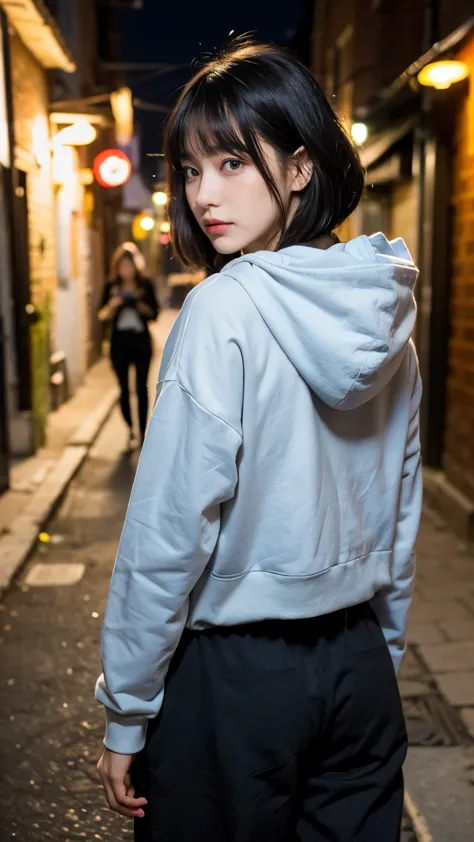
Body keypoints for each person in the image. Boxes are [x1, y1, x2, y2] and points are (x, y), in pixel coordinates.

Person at [96, 39, 422, 842]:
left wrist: (127, 712)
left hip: (237, 678)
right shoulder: (385, 315)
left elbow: (169, 532)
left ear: (302, 167)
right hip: (357, 667)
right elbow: (399, 513)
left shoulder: (224, 308)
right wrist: (380, 646)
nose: (206, 194)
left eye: (233, 163)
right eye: (191, 170)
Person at [98, 244, 160, 448]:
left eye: (129, 266)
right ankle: (131, 429)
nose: (126, 270)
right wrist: (114, 305)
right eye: (122, 266)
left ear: (135, 267)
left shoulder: (145, 285)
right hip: (119, 343)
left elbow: (154, 314)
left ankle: (142, 433)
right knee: (124, 389)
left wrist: (137, 304)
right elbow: (101, 315)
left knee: (141, 388)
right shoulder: (111, 286)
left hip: (140, 341)